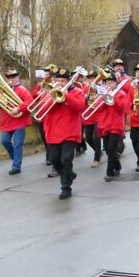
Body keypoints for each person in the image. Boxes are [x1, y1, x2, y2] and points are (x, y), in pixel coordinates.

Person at [43, 68, 85, 200]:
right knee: (54, 159)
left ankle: (66, 188)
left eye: (63, 81)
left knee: (66, 159)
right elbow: (43, 109)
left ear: (69, 81)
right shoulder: (51, 92)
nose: (60, 83)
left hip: (70, 131)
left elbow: (80, 107)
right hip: (54, 132)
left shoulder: (77, 92)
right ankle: (68, 174)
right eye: (58, 80)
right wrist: (52, 96)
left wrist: (66, 95)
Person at [0, 69, 33, 175]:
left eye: (13, 77)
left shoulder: (22, 90)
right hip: (7, 121)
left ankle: (16, 166)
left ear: (18, 78)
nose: (11, 80)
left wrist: (19, 108)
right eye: (9, 78)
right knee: (5, 141)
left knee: (17, 144)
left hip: (20, 121)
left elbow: (30, 102)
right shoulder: (4, 90)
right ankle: (15, 157)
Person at [96, 71, 127, 182]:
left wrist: (113, 98)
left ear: (115, 83)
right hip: (105, 125)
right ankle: (117, 166)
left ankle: (110, 172)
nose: (109, 85)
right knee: (109, 151)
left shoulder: (121, 94)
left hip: (116, 125)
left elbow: (122, 109)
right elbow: (99, 109)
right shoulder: (102, 94)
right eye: (107, 83)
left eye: (111, 83)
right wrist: (105, 97)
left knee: (111, 148)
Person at [31, 64, 57, 166]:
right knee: (44, 136)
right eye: (44, 73)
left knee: (50, 136)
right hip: (41, 114)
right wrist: (39, 92)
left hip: (50, 115)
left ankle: (50, 156)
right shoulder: (40, 84)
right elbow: (33, 96)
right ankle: (48, 152)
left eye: (47, 74)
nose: (45, 75)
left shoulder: (55, 85)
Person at [82, 70, 103, 168]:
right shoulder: (85, 88)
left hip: (98, 115)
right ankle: (98, 151)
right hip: (88, 116)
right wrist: (84, 98)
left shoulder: (101, 88)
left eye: (93, 78)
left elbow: (105, 100)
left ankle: (96, 158)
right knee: (88, 138)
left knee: (96, 137)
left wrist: (98, 96)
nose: (91, 80)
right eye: (89, 78)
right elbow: (80, 102)